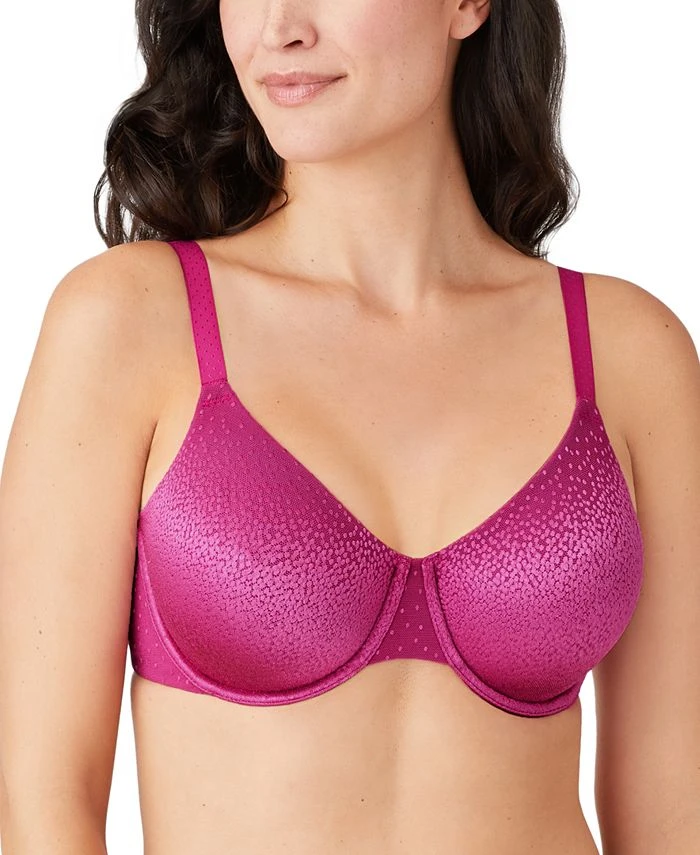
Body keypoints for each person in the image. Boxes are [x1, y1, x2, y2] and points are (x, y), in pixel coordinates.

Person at [1, 0, 698, 852]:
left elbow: (675, 818)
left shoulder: (630, 356)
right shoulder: (133, 324)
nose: (280, 27)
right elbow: (39, 803)